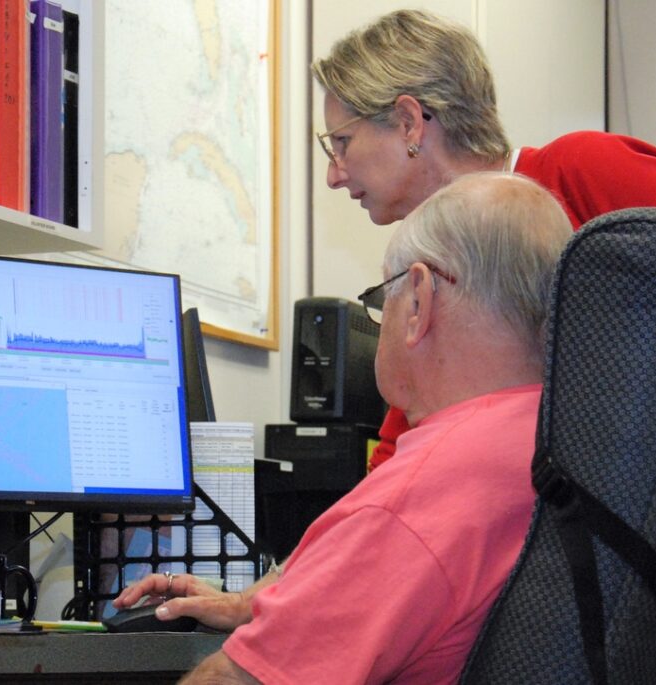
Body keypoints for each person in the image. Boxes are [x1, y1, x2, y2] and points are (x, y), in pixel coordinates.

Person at [114, 172, 573, 683]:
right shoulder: (563, 444)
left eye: (383, 302)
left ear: (418, 300)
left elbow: (238, 679)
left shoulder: (422, 493)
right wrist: (261, 601)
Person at [311, 8, 656, 469]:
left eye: (342, 143)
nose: (334, 175)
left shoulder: (581, 170)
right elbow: (400, 453)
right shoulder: (422, 265)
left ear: (408, 122)